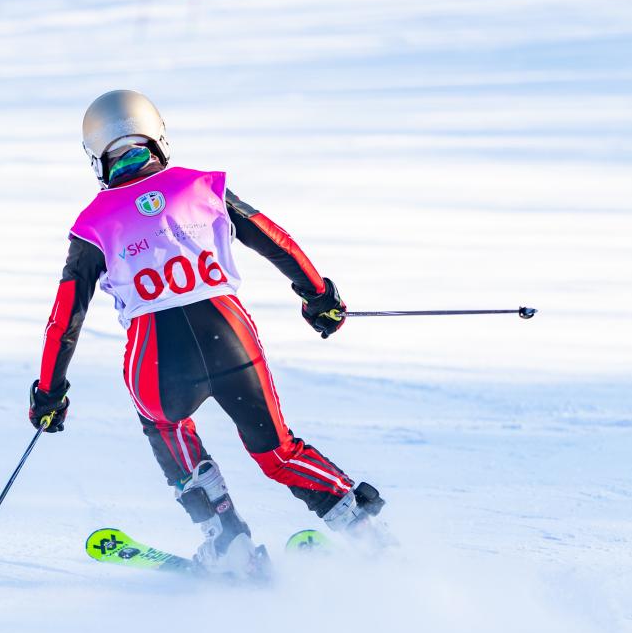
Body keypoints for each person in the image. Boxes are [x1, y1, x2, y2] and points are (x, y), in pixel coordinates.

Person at [29, 90, 385, 577]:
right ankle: (366, 533)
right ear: (158, 138)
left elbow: (64, 319)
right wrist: (319, 296)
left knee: (164, 426)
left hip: (157, 360)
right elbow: (276, 240)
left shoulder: (92, 224)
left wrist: (50, 393)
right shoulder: (203, 187)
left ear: (96, 157)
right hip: (232, 341)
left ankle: (228, 540)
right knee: (278, 452)